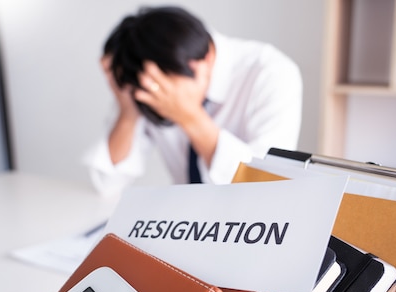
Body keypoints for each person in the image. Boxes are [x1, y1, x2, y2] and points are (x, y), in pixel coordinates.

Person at [84, 6, 302, 196]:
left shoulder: (272, 74)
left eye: (163, 90)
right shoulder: (146, 82)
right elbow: (108, 184)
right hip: (186, 224)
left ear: (205, 61)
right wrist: (127, 109)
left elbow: (268, 186)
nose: (159, 98)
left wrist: (189, 117)